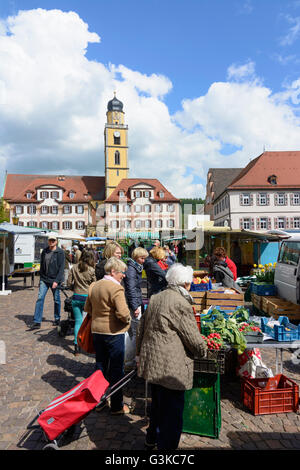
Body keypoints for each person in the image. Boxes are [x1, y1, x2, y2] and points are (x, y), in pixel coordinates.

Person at [136, 263, 207, 450]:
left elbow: (140, 328)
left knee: (158, 404)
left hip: (153, 360)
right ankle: (166, 450)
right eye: (189, 283)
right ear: (184, 284)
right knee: (172, 413)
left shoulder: (156, 297)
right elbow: (192, 338)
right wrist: (202, 350)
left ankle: (151, 439)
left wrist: (139, 354)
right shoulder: (181, 303)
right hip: (171, 365)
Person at [84, 257, 131, 415]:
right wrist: (127, 322)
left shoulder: (94, 285)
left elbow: (88, 309)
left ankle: (99, 401)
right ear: (112, 271)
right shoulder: (115, 288)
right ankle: (117, 405)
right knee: (117, 369)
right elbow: (124, 313)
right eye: (121, 273)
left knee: (100, 367)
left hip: (97, 331)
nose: (123, 275)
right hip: (113, 332)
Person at [30, 234, 65, 330]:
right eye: (50, 240)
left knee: (57, 300)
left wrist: (57, 281)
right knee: (40, 298)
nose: (51, 242)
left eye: (53, 240)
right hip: (44, 279)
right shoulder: (45, 251)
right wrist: (41, 278)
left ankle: (57, 318)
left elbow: (61, 268)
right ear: (48, 241)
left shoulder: (60, 252)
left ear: (56, 241)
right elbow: (42, 264)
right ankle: (37, 321)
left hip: (55, 280)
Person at [67, 249, 96, 356]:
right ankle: (89, 342)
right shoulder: (91, 270)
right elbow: (94, 285)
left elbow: (69, 282)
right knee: (90, 321)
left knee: (78, 321)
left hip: (76, 297)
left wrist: (73, 288)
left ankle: (76, 345)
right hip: (87, 298)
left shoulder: (74, 268)